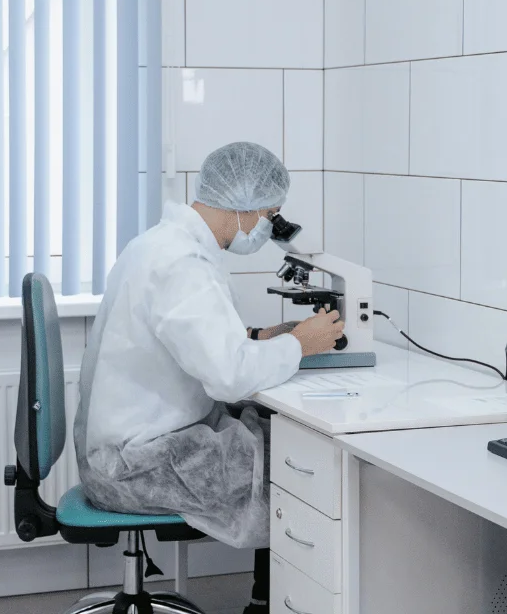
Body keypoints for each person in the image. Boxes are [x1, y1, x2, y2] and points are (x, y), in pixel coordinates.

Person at [75, 142, 344, 614]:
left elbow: (186, 340)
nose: (267, 228)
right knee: (294, 466)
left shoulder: (161, 245)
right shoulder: (184, 265)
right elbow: (229, 378)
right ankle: (284, 602)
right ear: (245, 206)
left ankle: (269, 597)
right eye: (271, 214)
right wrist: (303, 344)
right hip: (136, 466)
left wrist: (265, 335)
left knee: (269, 435)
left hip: (125, 445)